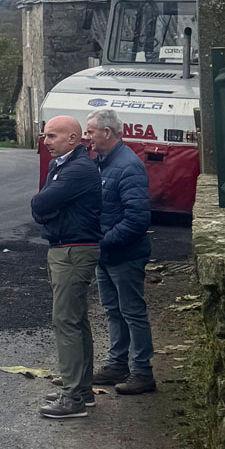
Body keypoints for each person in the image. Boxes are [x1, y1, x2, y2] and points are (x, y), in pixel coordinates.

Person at [31, 115, 102, 419]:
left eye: (52, 136)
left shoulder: (78, 169)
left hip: (73, 250)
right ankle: (82, 391)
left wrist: (46, 211)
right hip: (69, 247)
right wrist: (47, 210)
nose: (46, 142)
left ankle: (72, 398)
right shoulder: (66, 166)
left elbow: (40, 204)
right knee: (76, 320)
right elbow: (45, 204)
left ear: (73, 138)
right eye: (45, 136)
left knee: (66, 322)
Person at [85, 108, 157, 395]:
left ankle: (142, 371)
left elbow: (137, 218)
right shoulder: (102, 162)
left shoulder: (128, 166)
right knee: (114, 311)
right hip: (107, 254)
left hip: (125, 255)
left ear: (107, 132)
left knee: (132, 312)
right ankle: (118, 364)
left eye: (90, 131)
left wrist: (102, 243)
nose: (86, 136)